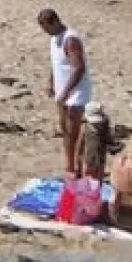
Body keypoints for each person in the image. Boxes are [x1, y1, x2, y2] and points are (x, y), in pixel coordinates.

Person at [38, 9, 91, 177]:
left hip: (76, 92)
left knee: (74, 129)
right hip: (62, 90)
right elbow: (56, 63)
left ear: (55, 22)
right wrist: (51, 82)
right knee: (65, 130)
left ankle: (77, 165)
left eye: (47, 28)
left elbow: (79, 68)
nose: (46, 32)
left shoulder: (71, 39)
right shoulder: (54, 39)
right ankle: (69, 165)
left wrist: (67, 92)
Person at [76, 102, 111, 180]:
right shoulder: (85, 128)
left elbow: (108, 140)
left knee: (98, 179)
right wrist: (77, 161)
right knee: (87, 178)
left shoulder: (104, 127)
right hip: (88, 159)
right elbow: (79, 145)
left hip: (100, 159)